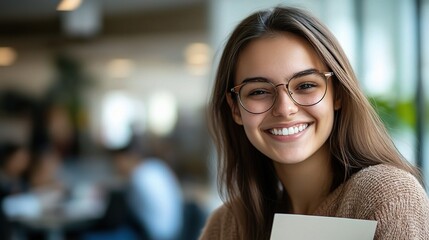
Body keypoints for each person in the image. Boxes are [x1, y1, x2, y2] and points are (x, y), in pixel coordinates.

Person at [199, 6, 429, 240]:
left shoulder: (387, 195)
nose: (285, 109)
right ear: (235, 108)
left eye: (306, 85)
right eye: (259, 91)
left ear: (337, 93)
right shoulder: (227, 225)